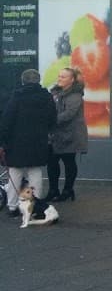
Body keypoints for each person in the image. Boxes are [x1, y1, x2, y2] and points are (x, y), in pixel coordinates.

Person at [0, 68, 59, 218]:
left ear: (23, 81)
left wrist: (3, 141)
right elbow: (53, 119)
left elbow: (7, 121)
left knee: (15, 173)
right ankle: (35, 207)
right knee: (35, 172)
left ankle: (12, 207)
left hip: (16, 142)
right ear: (38, 81)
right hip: (38, 141)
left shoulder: (17, 96)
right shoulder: (46, 97)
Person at [45, 66, 89, 202]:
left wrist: (50, 121)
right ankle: (53, 190)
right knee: (52, 162)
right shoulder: (55, 93)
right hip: (55, 135)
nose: (59, 78)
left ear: (72, 80)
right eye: (59, 76)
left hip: (70, 135)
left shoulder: (75, 95)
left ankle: (68, 190)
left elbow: (69, 114)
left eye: (63, 77)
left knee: (69, 162)